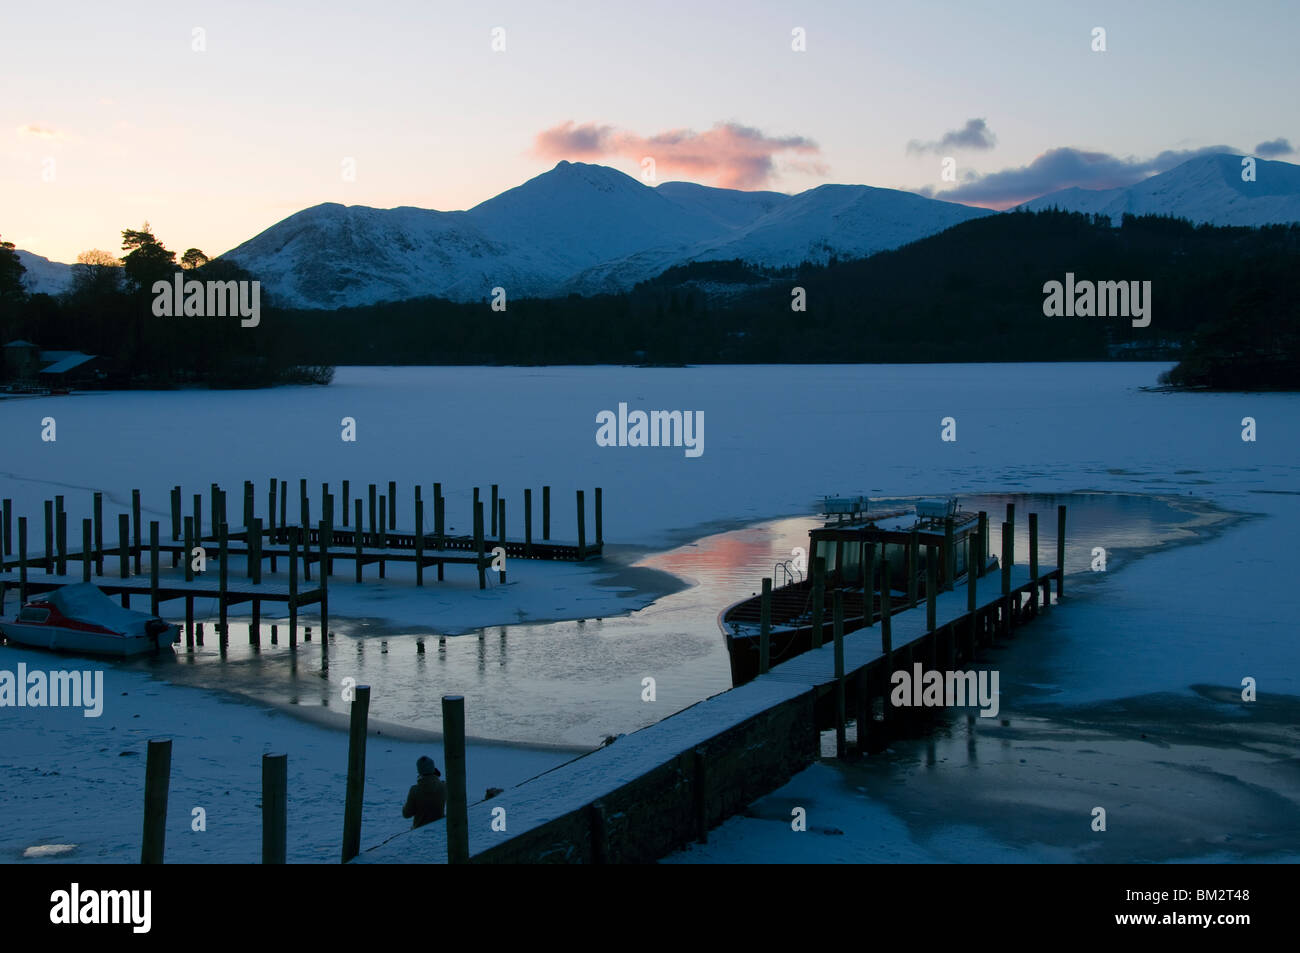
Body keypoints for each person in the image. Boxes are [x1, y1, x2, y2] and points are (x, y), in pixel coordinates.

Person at [402, 756, 446, 829]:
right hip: (439, 828)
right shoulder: (444, 786)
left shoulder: (415, 790)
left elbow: (406, 814)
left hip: (420, 830)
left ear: (419, 771)